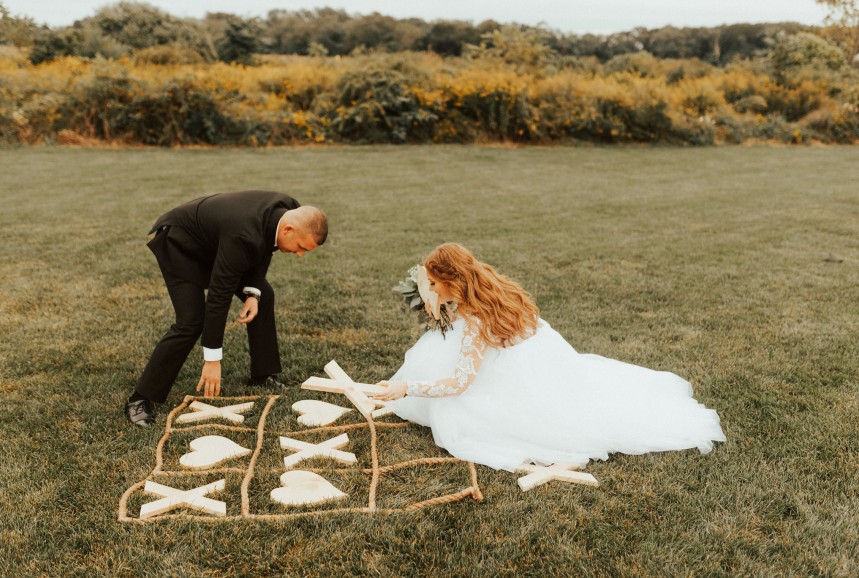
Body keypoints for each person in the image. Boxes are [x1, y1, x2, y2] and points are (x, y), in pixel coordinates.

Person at [375, 243, 725, 472]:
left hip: (519, 382)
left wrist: (408, 388)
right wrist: (435, 302)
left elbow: (461, 382)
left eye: (436, 284)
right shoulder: (491, 286)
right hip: (547, 364)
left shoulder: (478, 322)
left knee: (460, 410)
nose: (431, 290)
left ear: (454, 281)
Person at [124, 190, 327, 427]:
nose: (300, 254)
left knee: (264, 295)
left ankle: (262, 374)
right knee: (191, 322)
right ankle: (140, 399)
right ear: (289, 230)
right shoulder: (243, 235)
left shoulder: (287, 209)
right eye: (301, 246)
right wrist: (212, 360)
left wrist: (252, 293)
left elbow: (266, 246)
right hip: (183, 246)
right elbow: (219, 296)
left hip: (220, 244)